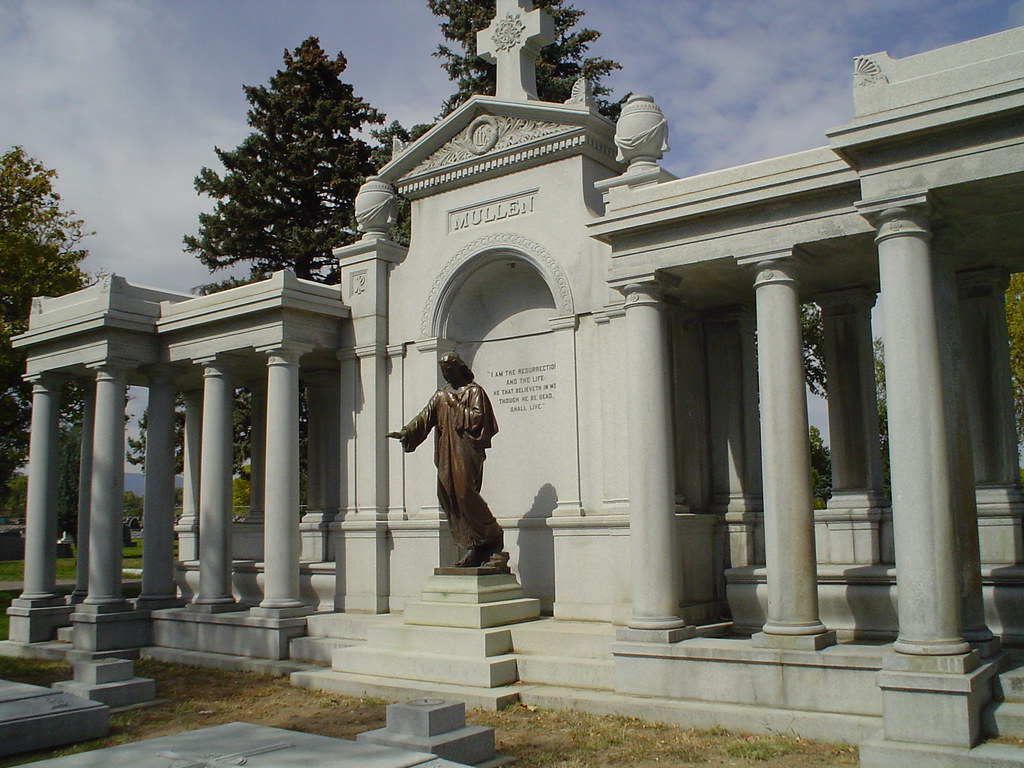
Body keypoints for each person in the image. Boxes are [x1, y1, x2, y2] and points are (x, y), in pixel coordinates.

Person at [388, 353, 505, 568]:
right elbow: (425, 417)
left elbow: (479, 419)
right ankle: (476, 546)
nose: (445, 374)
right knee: (449, 492)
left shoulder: (474, 391)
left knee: (464, 491)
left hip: (467, 448)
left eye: (448, 370)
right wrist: (407, 432)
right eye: (443, 371)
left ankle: (492, 533)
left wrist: (454, 404)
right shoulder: (440, 395)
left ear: (458, 368)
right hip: (446, 450)